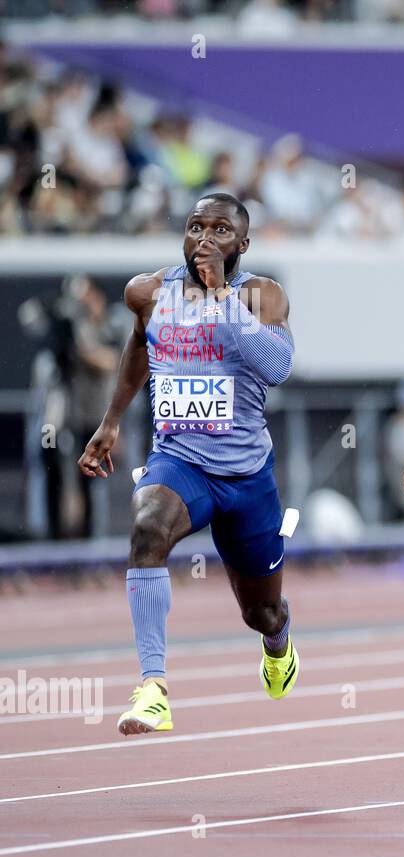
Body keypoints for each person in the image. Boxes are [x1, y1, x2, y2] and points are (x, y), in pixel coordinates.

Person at [77, 193, 299, 735]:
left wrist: (221, 297)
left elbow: (277, 367)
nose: (205, 237)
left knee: (260, 613)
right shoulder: (148, 292)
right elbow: (138, 347)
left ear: (242, 244)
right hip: (180, 462)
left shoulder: (260, 296)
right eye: (196, 226)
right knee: (148, 525)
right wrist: (111, 421)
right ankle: (153, 686)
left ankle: (277, 641)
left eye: (221, 230)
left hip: (246, 477)